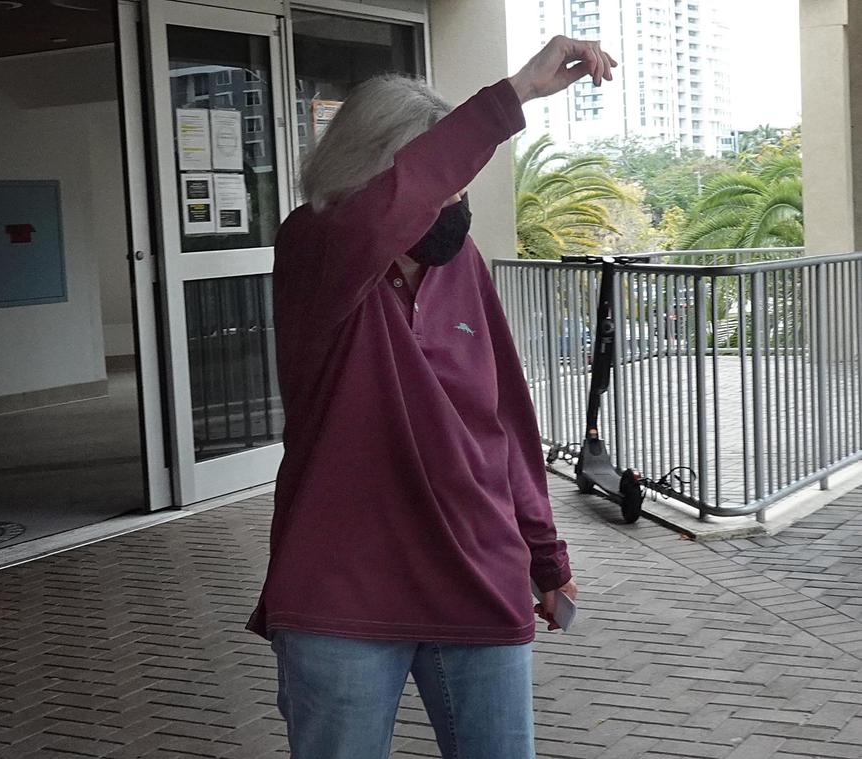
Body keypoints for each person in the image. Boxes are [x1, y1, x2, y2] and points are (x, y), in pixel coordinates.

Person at [246, 36, 617, 759]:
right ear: (372, 178)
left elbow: (503, 420)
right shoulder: (316, 250)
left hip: (477, 574)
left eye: (461, 183)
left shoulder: (461, 264)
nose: (453, 201)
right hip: (343, 592)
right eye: (437, 180)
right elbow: (371, 219)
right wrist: (514, 94)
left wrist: (546, 556)